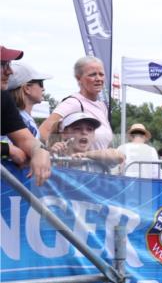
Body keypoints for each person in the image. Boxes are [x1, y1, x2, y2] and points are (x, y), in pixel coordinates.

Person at [1, 45, 51, 186]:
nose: (10, 71)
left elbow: (24, 139)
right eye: (3, 65)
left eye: (9, 65)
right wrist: (7, 149)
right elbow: (12, 148)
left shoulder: (3, 98)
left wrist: (39, 151)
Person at [39, 57, 113, 150]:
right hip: (79, 163)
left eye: (101, 74)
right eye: (92, 74)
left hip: (102, 163)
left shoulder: (102, 106)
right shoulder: (74, 102)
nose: (98, 78)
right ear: (79, 78)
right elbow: (43, 131)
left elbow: (104, 142)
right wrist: (52, 150)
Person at [50, 111, 123, 173]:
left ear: (94, 135)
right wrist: (53, 156)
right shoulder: (55, 157)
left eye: (90, 129)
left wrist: (85, 155)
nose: (84, 132)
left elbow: (120, 156)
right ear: (64, 134)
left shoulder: (98, 158)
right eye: (77, 128)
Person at [4, 63, 51, 139]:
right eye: (41, 83)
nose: (43, 89)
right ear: (27, 88)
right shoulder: (20, 120)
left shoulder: (20, 117)